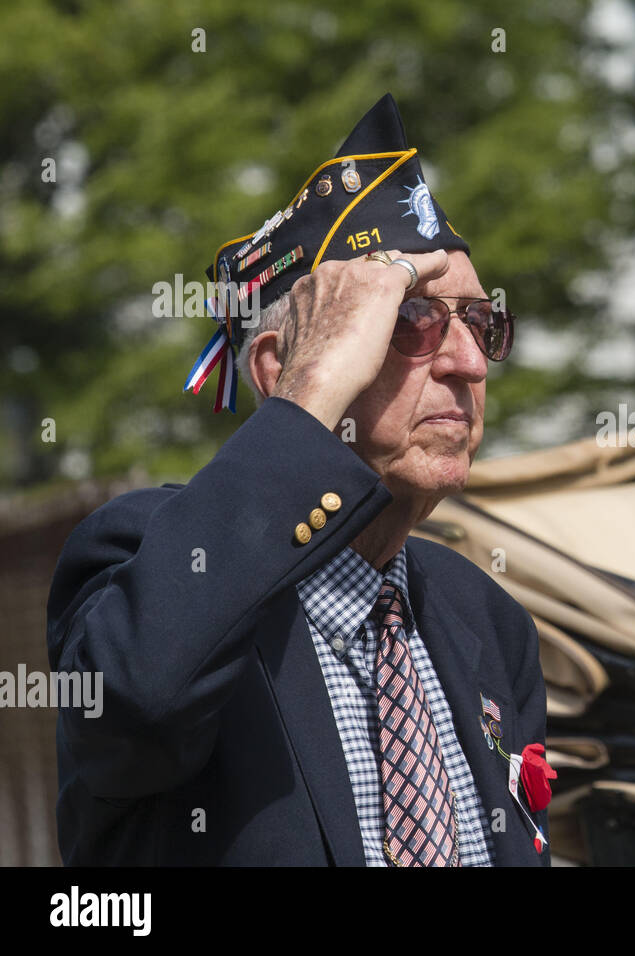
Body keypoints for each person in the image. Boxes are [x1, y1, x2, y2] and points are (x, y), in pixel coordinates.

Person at [45, 94, 552, 866]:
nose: (469, 363)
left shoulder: (486, 618)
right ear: (287, 368)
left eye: (481, 324)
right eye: (411, 318)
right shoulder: (154, 555)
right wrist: (307, 399)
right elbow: (137, 702)